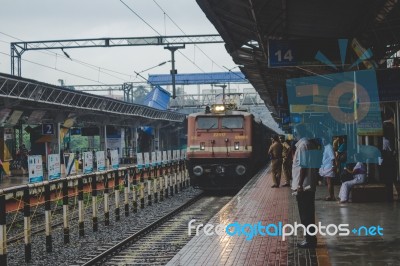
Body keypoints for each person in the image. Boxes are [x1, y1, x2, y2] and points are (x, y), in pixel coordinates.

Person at [291, 124, 318, 248]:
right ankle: (311, 239)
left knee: (305, 214)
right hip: (309, 184)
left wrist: (300, 184)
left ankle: (310, 240)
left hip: (304, 186)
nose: (294, 135)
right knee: (308, 213)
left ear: (298, 133)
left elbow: (303, 166)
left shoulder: (303, 145)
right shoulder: (309, 144)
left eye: (294, 133)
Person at [319, 134, 336, 201]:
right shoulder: (326, 147)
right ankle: (332, 196)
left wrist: (333, 166)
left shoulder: (329, 147)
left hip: (329, 167)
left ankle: (331, 196)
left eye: (323, 140)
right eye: (322, 140)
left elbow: (333, 158)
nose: (322, 141)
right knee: (329, 182)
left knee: (329, 182)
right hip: (326, 167)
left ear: (326, 140)